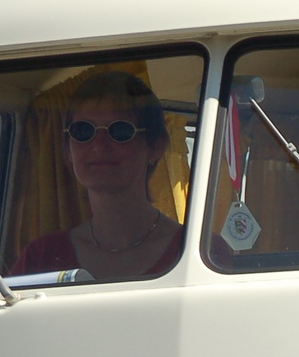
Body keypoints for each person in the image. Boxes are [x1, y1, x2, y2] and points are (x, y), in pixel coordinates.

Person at [15, 71, 182, 281]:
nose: (98, 146)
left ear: (155, 147)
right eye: (83, 131)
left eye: (120, 130)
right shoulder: (40, 258)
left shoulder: (198, 253)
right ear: (68, 151)